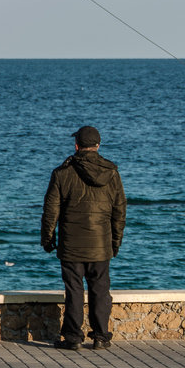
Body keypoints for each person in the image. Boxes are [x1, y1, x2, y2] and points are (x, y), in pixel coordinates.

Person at [41, 125, 126, 351]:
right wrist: (115, 242)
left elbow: (51, 211)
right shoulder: (112, 174)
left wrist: (48, 239)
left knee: (74, 290)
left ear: (77, 145)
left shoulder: (62, 173)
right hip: (101, 244)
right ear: (97, 145)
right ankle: (101, 337)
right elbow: (120, 211)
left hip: (71, 245)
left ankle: (73, 337)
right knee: (100, 290)